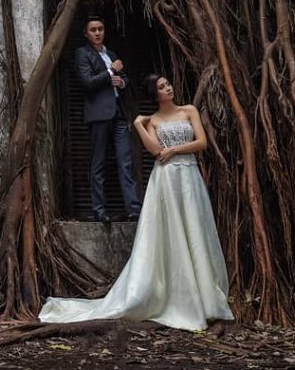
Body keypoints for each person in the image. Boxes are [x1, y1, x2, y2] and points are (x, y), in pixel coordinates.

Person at [38, 74, 234, 331]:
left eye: (168, 84)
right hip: (165, 180)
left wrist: (174, 150)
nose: (169, 88)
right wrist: (139, 125)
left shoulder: (189, 111)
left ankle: (205, 298)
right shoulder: (152, 120)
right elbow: (154, 151)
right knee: (170, 234)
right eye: (163, 87)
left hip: (188, 177)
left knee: (194, 232)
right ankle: (180, 296)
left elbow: (202, 142)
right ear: (156, 95)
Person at [74, 16, 141, 222]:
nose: (97, 33)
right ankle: (99, 210)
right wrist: (111, 71)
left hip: (119, 113)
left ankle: (133, 209)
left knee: (125, 162)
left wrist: (121, 82)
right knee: (99, 163)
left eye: (100, 29)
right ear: (86, 33)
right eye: (93, 29)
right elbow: (87, 81)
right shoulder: (82, 54)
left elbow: (124, 78)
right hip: (98, 114)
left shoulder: (110, 54)